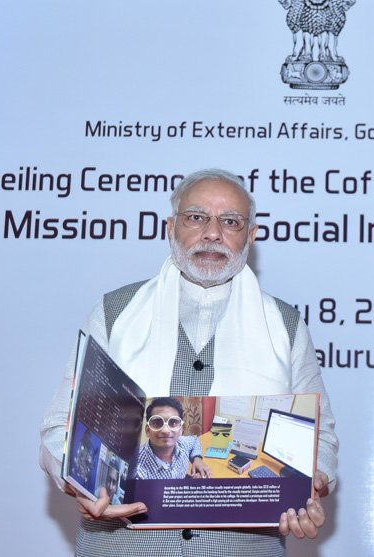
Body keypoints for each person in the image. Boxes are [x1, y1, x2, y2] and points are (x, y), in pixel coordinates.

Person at [40, 168, 338, 556]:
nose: (212, 233)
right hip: (121, 545)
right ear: (171, 227)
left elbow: (323, 438)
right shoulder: (115, 311)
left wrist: (311, 483)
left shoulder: (284, 323)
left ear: (251, 237)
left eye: (230, 221)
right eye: (196, 217)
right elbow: (58, 428)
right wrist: (79, 482)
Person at [135, 396, 212, 480]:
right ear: (148, 430)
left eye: (173, 422)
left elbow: (194, 441)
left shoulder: (182, 444)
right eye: (157, 422)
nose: (166, 430)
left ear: (181, 429)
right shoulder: (137, 471)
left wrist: (197, 459)